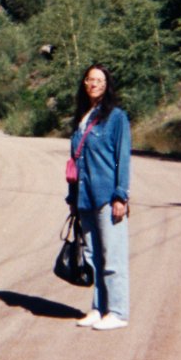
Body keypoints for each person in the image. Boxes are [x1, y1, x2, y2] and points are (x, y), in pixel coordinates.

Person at [67, 64, 131, 330]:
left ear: (107, 85)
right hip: (84, 198)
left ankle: (117, 312)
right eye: (90, 79)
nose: (94, 84)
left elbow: (122, 158)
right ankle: (98, 307)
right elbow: (75, 160)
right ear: (84, 84)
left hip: (107, 197)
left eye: (99, 80)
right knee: (93, 257)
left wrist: (121, 196)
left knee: (113, 256)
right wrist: (72, 198)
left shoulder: (117, 118)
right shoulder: (81, 118)